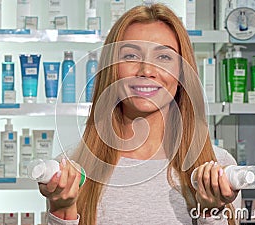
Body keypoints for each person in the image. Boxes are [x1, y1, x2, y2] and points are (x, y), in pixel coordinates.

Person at [39, 3, 241, 225]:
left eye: (163, 57)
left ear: (183, 72)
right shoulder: (71, 170)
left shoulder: (217, 167)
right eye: (131, 55)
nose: (146, 70)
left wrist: (211, 216)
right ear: (112, 69)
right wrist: (62, 212)